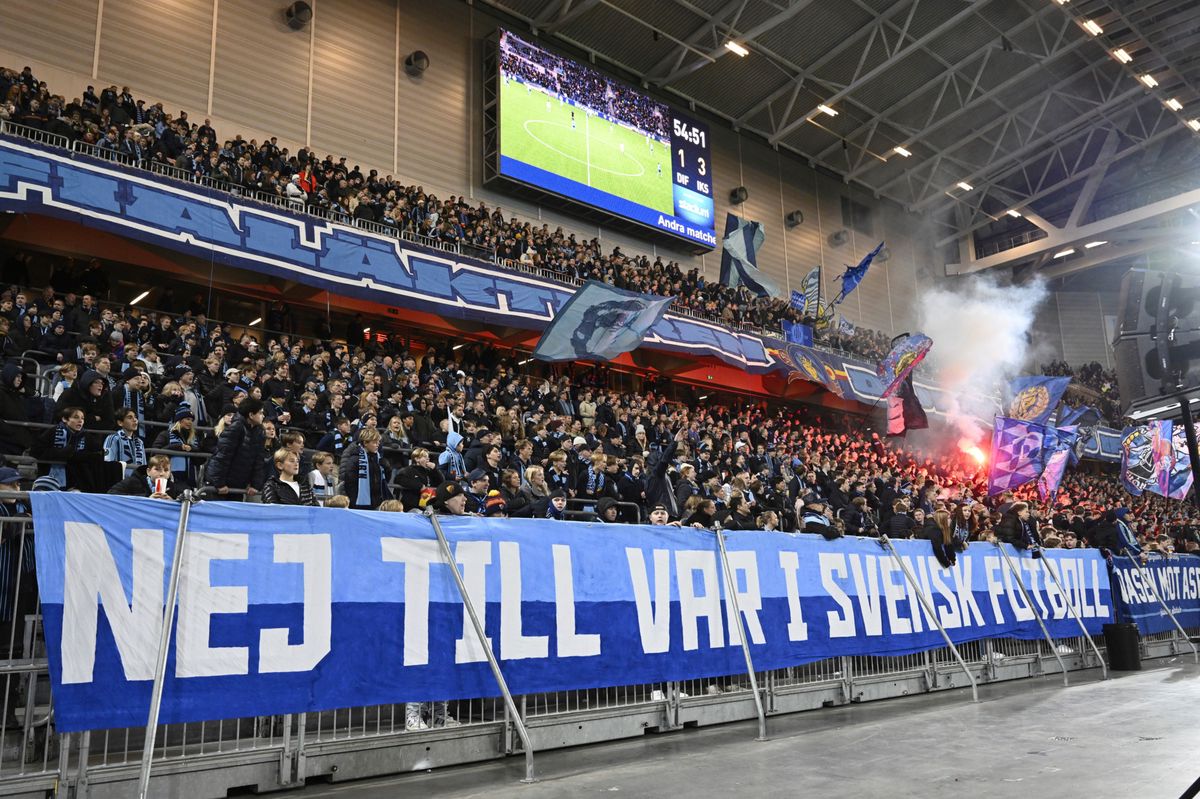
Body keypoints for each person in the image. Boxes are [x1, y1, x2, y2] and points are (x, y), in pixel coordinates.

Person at [205, 398, 268, 500]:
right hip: (221, 486)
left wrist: (255, 484)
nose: (263, 416)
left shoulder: (259, 432)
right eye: (260, 413)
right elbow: (222, 457)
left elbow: (258, 460)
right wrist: (219, 483)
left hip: (237, 484)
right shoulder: (235, 428)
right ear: (251, 415)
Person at [340, 428, 391, 510]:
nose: (378, 444)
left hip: (377, 502)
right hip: (359, 504)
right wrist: (355, 501)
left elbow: (385, 481)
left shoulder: (378, 458)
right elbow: (350, 483)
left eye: (378, 442)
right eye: (374, 442)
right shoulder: (355, 459)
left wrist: (387, 468)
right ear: (365, 443)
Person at [107, 455, 176, 498]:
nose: (162, 473)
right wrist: (146, 498)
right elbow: (111, 493)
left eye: (166, 470)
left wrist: (172, 501)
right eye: (157, 469)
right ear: (148, 472)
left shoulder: (172, 486)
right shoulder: (133, 481)